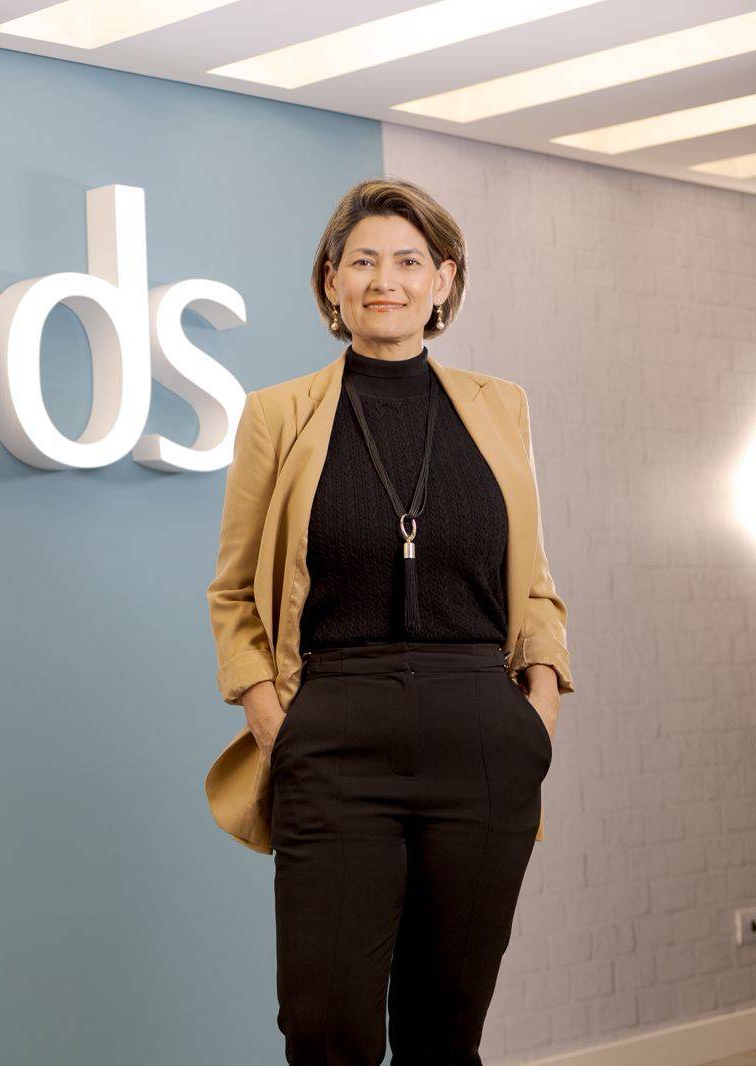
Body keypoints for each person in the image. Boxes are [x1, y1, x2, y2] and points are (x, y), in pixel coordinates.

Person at [203, 177, 575, 1064]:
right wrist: (271, 716)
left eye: (409, 262)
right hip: (335, 726)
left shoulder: (500, 407)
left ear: (442, 281)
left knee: (446, 1032)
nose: (385, 281)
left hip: (480, 729)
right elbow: (233, 592)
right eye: (363, 261)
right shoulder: (278, 415)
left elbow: (532, 579)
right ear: (331, 281)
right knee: (327, 1027)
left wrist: (540, 704)